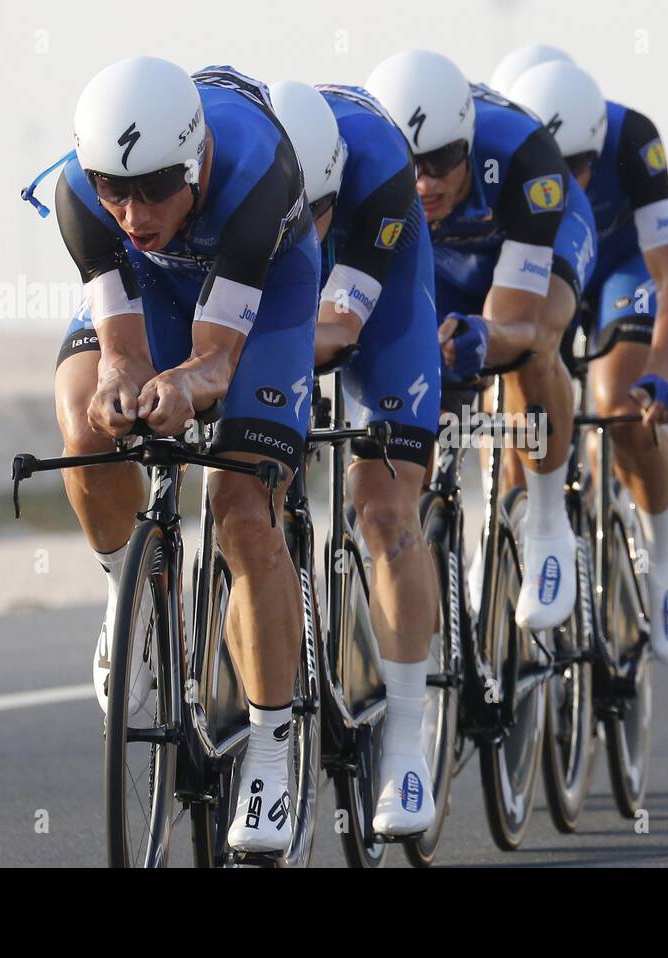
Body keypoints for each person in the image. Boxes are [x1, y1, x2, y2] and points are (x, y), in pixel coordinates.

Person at [36, 58, 318, 853]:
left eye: (155, 188)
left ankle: (269, 746)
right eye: (114, 190)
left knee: (241, 510)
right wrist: (122, 386)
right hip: (152, 285)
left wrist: (185, 387)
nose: (131, 210)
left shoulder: (260, 170)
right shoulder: (79, 197)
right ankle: (126, 595)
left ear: (196, 160)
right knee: (89, 429)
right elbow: (121, 351)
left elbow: (215, 363)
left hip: (266, 295)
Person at [366, 50, 597, 631]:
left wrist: (484, 336)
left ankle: (547, 521)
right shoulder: (364, 166)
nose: (423, 182)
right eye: (407, 165)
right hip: (440, 257)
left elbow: (517, 327)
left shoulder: (524, 155)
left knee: (532, 350)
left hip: (532, 235)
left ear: (467, 143)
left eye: (441, 161)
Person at [268, 80, 441, 836]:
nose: (309, 233)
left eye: (317, 218)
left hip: (380, 297)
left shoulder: (379, 172)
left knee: (380, 504)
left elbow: (339, 326)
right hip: (265, 278)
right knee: (240, 484)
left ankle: (406, 736)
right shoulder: (240, 176)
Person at [501, 53, 668, 663]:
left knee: (619, 409)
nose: (565, 183)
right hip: (541, 263)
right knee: (514, 408)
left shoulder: (634, 140)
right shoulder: (501, 144)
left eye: (580, 168)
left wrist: (659, 379)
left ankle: (665, 557)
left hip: (618, 270)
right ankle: (515, 549)